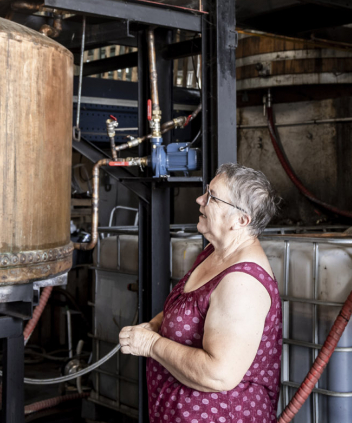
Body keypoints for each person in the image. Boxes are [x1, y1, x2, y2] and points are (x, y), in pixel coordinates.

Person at [119, 163, 282, 423]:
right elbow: (189, 308)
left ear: (240, 220)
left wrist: (151, 344)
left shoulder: (242, 283)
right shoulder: (215, 252)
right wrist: (155, 325)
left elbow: (218, 374)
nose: (199, 200)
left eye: (212, 197)